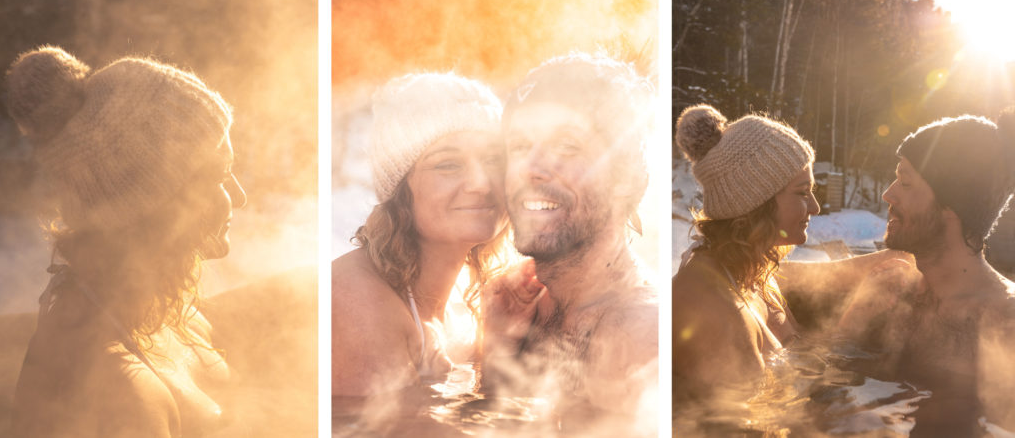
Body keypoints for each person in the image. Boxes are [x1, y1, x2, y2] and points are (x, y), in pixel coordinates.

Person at [8, 47, 246, 436]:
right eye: (219, 177)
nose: (239, 197)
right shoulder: (113, 388)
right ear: (156, 208)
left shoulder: (166, 313)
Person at [785, 113, 1015, 434]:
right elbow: (823, 376)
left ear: (952, 206)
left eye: (905, 182)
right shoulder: (888, 288)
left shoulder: (1005, 323)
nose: (888, 195)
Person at [482, 53, 658, 425]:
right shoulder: (522, 306)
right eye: (519, 147)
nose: (531, 168)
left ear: (625, 178)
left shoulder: (641, 338)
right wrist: (497, 350)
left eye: (567, 146)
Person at [331, 73, 514, 397]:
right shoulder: (358, 300)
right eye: (448, 165)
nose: (482, 183)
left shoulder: (468, 299)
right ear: (400, 188)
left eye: (494, 160)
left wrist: (498, 345)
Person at [672, 104, 821, 401]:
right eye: (802, 193)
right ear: (756, 203)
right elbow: (744, 425)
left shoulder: (754, 271)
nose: (815, 208)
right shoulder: (716, 310)